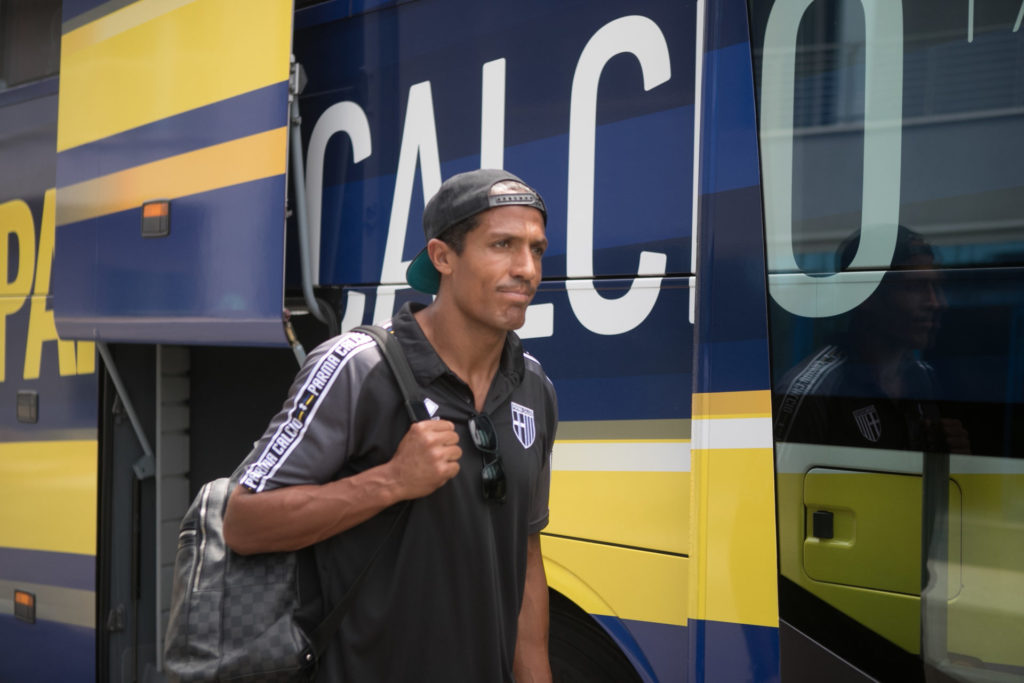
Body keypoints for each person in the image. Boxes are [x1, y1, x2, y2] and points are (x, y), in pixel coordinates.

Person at [222, 169, 557, 682]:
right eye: (502, 245)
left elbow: (526, 556)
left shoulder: (533, 387)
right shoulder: (357, 368)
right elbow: (243, 523)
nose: (526, 269)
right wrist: (392, 481)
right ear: (443, 257)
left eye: (537, 249)